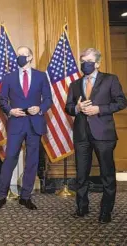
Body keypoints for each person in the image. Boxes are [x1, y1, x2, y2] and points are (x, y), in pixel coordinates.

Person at [65, 48, 127, 224]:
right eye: (83, 60)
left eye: (89, 61)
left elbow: (121, 102)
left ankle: (106, 211)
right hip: (82, 134)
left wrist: (99, 109)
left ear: (97, 63)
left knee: (107, 175)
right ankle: (82, 207)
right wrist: (77, 108)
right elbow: (68, 107)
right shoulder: (75, 84)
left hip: (104, 134)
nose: (85, 64)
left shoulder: (110, 79)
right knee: (81, 174)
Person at [0, 46, 52, 211]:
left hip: (34, 123)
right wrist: (10, 110)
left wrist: (39, 108)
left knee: (32, 161)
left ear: (31, 57)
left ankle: (25, 197)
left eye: (24, 55)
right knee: (9, 158)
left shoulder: (41, 76)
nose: (21, 58)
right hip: (16, 123)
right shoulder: (9, 77)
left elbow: (48, 99)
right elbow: (2, 99)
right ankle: (1, 196)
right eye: (18, 55)